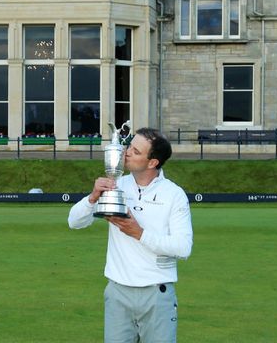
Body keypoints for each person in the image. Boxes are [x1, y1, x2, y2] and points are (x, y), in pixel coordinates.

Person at [68, 127, 193, 343]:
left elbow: (183, 247)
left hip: (156, 294)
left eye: (136, 151)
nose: (126, 153)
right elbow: (74, 221)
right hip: (118, 293)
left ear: (153, 162)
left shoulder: (174, 195)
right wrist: (92, 197)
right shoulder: (116, 185)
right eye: (129, 147)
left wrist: (139, 233)